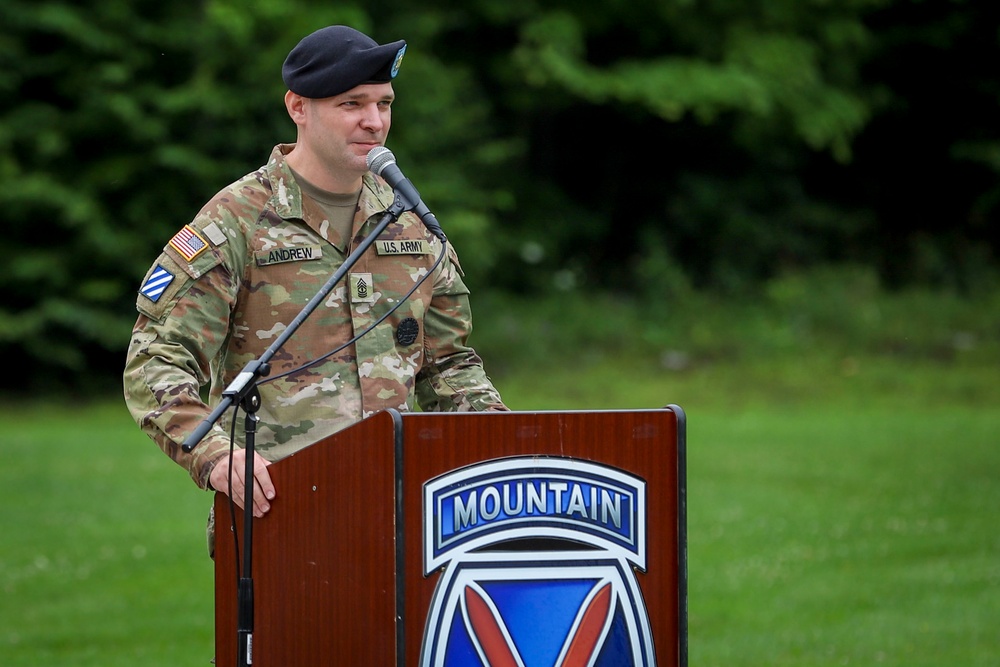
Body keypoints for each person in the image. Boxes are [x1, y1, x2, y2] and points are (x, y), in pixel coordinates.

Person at [123, 25, 508, 542]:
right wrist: (216, 456)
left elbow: (446, 365)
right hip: (279, 515)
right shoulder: (239, 221)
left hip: (402, 517)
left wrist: (507, 444)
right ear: (298, 108)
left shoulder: (410, 222)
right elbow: (156, 358)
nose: (374, 122)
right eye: (352, 104)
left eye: (384, 104)